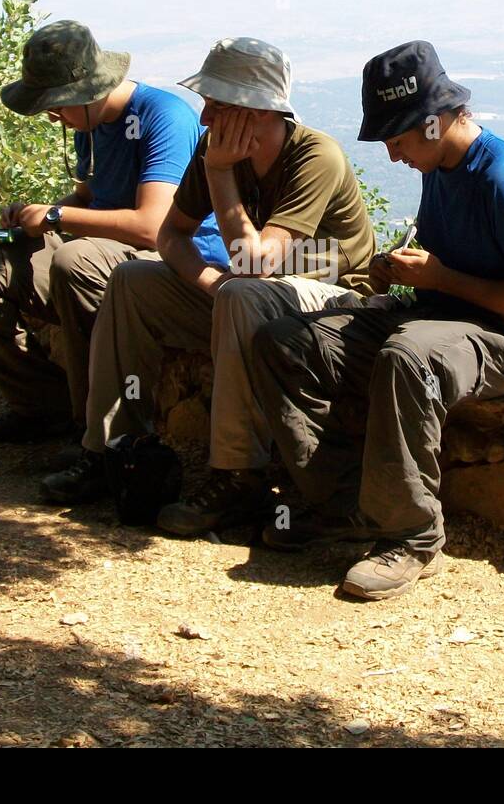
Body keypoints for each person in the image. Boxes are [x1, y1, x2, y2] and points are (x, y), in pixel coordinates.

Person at [249, 40, 504, 600]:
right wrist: (398, 272)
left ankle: (412, 536)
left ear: (436, 123)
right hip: (438, 317)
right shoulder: (440, 166)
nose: (394, 155)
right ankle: (339, 506)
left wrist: (441, 280)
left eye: (397, 140)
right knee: (286, 340)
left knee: (407, 355)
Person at [43, 37, 376, 536]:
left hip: (332, 311)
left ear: (257, 110)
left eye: (217, 106)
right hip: (255, 300)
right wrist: (209, 283)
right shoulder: (216, 146)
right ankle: (112, 450)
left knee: (243, 292)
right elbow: (170, 233)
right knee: (131, 279)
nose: (204, 119)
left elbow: (255, 262)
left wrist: (219, 173)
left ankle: (238, 478)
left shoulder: (315, 155)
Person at [0, 20, 224, 444]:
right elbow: (90, 195)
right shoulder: (88, 127)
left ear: (92, 91)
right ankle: (40, 405)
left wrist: (57, 218)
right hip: (99, 257)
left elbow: (152, 227)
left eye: (58, 103)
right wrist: (30, 218)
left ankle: (95, 434)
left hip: (165, 263)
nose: (52, 113)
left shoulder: (162, 116)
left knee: (74, 260)